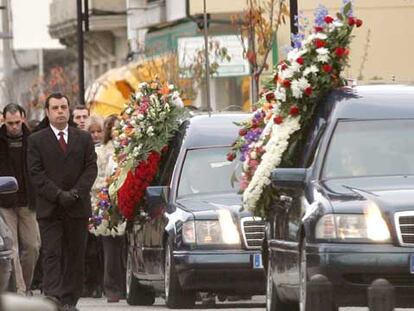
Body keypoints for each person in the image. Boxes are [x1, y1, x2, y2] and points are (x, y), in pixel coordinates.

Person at [27, 93, 97, 311]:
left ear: (69, 111)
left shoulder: (83, 138)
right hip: (51, 208)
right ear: (47, 112)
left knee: (76, 254)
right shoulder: (36, 140)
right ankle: (54, 298)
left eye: (63, 107)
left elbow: (90, 168)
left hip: (77, 207)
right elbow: (36, 173)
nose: (60, 111)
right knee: (52, 253)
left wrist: (75, 193)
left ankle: (69, 300)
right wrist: (58, 195)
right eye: (55, 108)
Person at [0, 103, 40, 296]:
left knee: (33, 246)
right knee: (12, 247)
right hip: (5, 201)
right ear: (3, 120)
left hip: (27, 200)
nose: (14, 126)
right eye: (10, 123)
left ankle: (26, 283)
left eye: (17, 122)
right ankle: (20, 290)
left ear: (23, 118)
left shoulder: (33, 140)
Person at [93, 114, 126, 303]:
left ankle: (125, 286)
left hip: (126, 203)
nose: (117, 131)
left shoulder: (131, 150)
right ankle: (112, 288)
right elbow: (96, 179)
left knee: (125, 248)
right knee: (110, 249)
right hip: (108, 204)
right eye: (114, 128)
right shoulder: (102, 152)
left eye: (120, 127)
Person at [82, 115, 105, 298]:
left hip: (103, 201)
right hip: (87, 199)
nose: (96, 135)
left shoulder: (108, 150)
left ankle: (101, 283)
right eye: (92, 132)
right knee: (88, 248)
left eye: (99, 131)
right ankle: (89, 283)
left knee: (101, 247)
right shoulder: (83, 149)